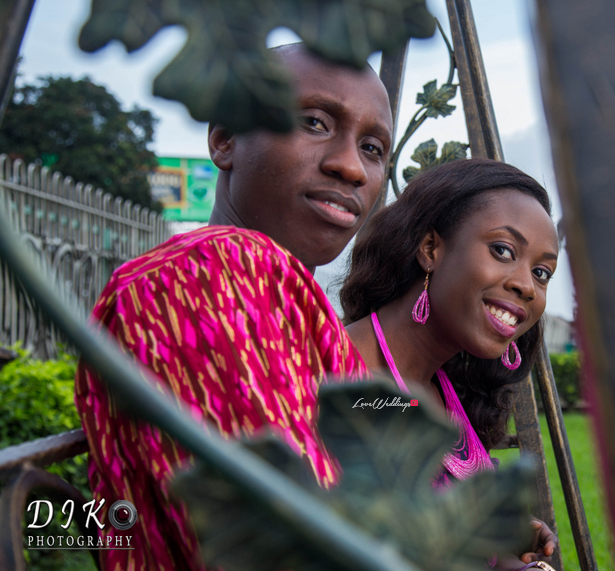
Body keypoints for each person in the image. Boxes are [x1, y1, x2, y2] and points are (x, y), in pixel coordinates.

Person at [75, 44, 393, 571]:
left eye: (374, 148)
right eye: (313, 122)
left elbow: (377, 410)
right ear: (225, 140)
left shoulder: (291, 298)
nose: (351, 167)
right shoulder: (203, 273)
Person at [341, 158, 561, 569]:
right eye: (502, 250)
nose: (527, 286)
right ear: (431, 249)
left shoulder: (441, 389)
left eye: (542, 272)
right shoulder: (343, 376)